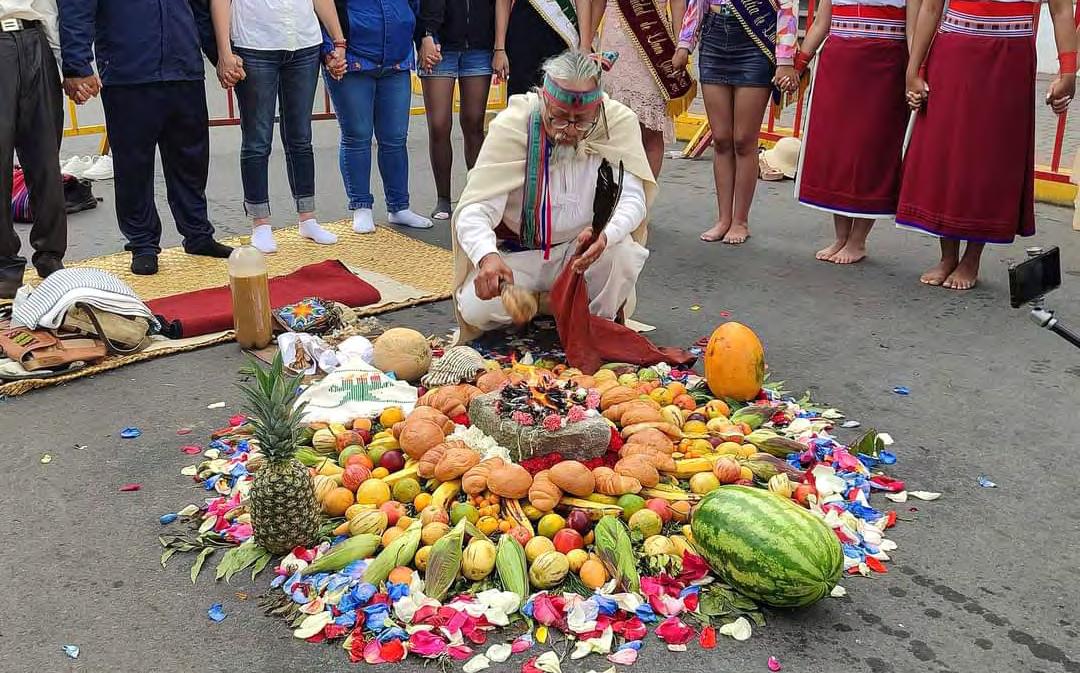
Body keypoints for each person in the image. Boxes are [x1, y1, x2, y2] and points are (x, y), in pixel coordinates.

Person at [451, 50, 656, 342]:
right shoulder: (513, 125)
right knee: (476, 308)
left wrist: (606, 236)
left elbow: (633, 199)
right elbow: (475, 208)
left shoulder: (616, 123)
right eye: (558, 118)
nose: (568, 131)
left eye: (581, 121)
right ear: (543, 100)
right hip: (520, 256)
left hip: (581, 253)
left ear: (597, 110)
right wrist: (487, 256)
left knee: (622, 254)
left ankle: (592, 325)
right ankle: (552, 303)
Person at [899, 0, 1076, 290]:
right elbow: (930, 7)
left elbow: (1062, 10)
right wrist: (913, 69)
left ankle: (972, 258)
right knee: (948, 152)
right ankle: (947, 256)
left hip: (1009, 58)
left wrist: (1068, 72)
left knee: (990, 157)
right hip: (954, 52)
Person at [59, 0, 234, 276]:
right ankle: (143, 244)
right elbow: (77, 9)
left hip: (183, 68)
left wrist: (221, 56)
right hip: (128, 72)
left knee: (191, 159)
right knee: (133, 166)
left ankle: (198, 234)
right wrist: (77, 65)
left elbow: (201, 8)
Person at [210, 0, 347, 254]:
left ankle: (308, 217)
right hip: (255, 44)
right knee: (257, 140)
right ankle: (260, 223)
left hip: (304, 42)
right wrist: (224, 52)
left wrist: (339, 41)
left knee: (301, 137)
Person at [793, 0, 917, 264]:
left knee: (871, 150)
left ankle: (858, 240)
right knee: (838, 149)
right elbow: (822, 22)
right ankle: (841, 237)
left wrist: (915, 72)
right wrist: (800, 63)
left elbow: (912, 31)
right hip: (838, 63)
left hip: (884, 65)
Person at [672, 0, 798, 244]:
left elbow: (787, 5)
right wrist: (684, 44)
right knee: (721, 139)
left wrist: (785, 60)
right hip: (714, 34)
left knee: (743, 140)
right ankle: (723, 219)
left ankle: (740, 221)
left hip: (755, 41)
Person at [324, 0, 432, 235]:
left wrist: (425, 36)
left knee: (395, 138)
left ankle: (399, 206)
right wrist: (328, 50)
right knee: (357, 135)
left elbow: (418, 5)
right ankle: (361, 206)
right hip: (352, 58)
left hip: (396, 60)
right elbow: (322, 6)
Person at [577, 0, 693, 178]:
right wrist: (585, 44)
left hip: (655, 45)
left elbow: (678, 3)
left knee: (651, 132)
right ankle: (615, 190)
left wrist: (680, 45)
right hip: (615, 45)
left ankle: (645, 193)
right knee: (613, 127)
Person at [1, 0, 66, 299]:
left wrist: (64, 64)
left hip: (34, 38)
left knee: (46, 158)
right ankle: (5, 264)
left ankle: (51, 255)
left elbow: (47, 5)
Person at [416, 0, 497, 221]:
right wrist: (424, 34)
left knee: (474, 123)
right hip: (438, 44)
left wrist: (499, 46)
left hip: (480, 45)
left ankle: (476, 196)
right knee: (439, 125)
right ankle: (443, 198)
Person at [496, 0, 579, 97]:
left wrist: (584, 46)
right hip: (522, 37)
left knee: (559, 97)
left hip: (562, 37)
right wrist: (499, 49)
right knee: (521, 99)